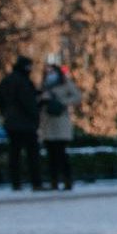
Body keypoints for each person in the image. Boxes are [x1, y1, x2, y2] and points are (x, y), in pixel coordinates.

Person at [0, 55, 43, 190]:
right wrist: (35, 116)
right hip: (25, 124)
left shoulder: (7, 81)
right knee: (32, 154)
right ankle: (36, 182)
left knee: (14, 154)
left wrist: (5, 113)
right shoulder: (24, 82)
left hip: (11, 123)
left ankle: (16, 183)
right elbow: (28, 103)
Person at [38, 62, 83, 191]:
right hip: (47, 123)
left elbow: (77, 96)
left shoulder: (65, 83)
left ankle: (67, 180)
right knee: (51, 156)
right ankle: (54, 181)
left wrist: (61, 102)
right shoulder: (44, 86)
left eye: (52, 71)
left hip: (60, 122)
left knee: (61, 154)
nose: (50, 74)